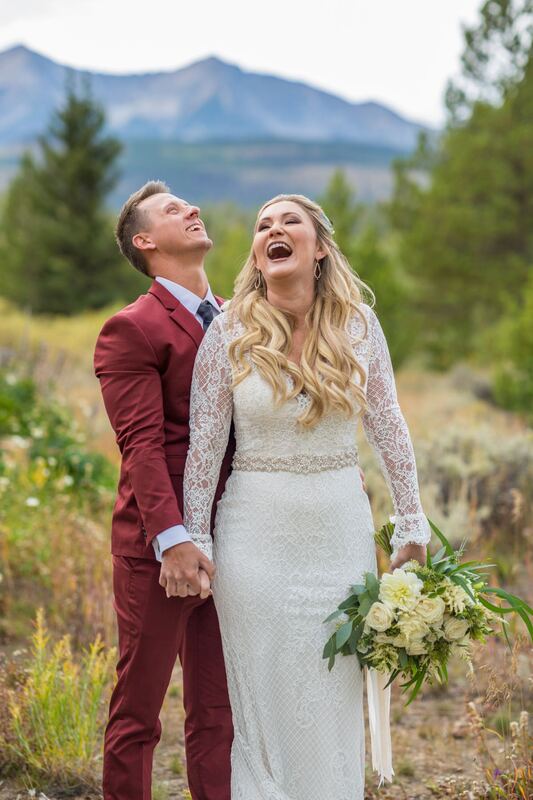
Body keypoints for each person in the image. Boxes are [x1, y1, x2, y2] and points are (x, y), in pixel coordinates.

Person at [182, 194, 432, 798]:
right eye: (264, 225)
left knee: (331, 690)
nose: (274, 230)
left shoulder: (359, 326)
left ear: (318, 246)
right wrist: (196, 537)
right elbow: (204, 446)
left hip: (337, 528)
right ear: (259, 255)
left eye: (289, 221)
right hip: (252, 539)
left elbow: (390, 427)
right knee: (263, 702)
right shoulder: (229, 333)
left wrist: (411, 525)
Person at [94, 181, 235, 800]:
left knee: (219, 712)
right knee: (138, 713)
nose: (193, 209)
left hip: (236, 532)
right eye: (174, 210)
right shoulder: (132, 328)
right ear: (145, 242)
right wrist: (173, 542)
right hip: (162, 549)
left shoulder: (240, 319)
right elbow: (142, 448)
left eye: (190, 203)